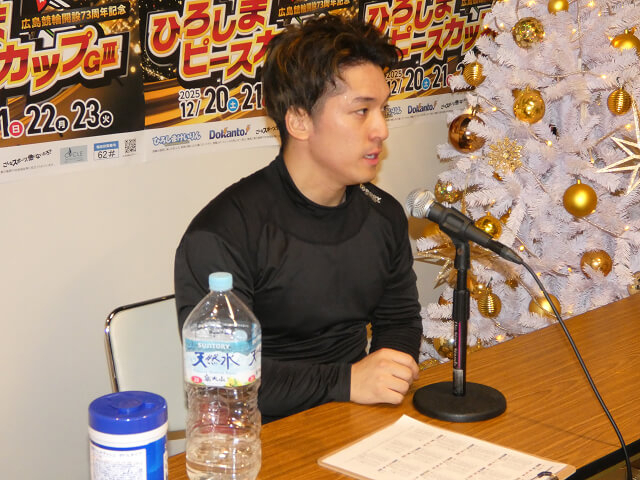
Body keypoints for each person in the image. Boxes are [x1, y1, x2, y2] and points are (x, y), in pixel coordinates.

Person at [174, 13, 422, 423]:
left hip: (356, 418)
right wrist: (347, 381)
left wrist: (383, 377)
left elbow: (399, 321)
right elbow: (225, 380)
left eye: (384, 110)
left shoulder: (384, 214)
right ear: (299, 121)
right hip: (259, 433)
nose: (381, 130)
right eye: (361, 111)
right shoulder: (223, 234)